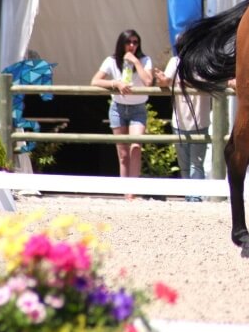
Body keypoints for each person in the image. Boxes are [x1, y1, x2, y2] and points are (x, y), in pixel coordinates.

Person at [90, 29, 153, 196]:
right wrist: (115, 84)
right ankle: (126, 192)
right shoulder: (111, 60)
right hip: (118, 108)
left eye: (135, 42)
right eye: (128, 42)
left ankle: (133, 191)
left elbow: (148, 82)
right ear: (122, 44)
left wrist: (136, 62)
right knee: (123, 153)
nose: (132, 45)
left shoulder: (145, 60)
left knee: (136, 147)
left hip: (138, 109)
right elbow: (95, 81)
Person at [154, 55, 211, 202]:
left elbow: (209, 83)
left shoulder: (204, 60)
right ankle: (189, 196)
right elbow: (165, 82)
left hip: (200, 121)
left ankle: (195, 197)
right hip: (179, 122)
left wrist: (182, 82)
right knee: (184, 165)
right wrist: (162, 80)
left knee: (196, 164)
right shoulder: (175, 61)